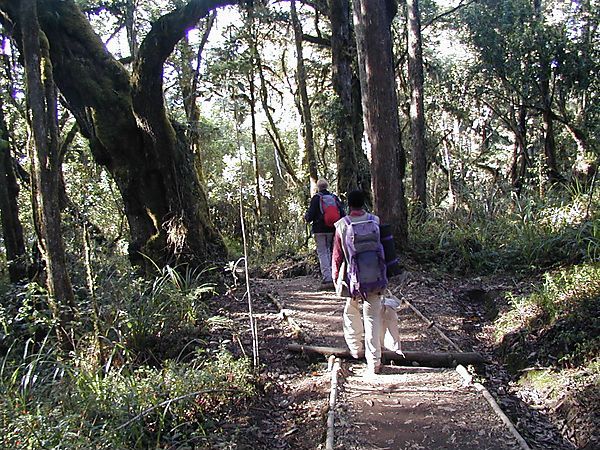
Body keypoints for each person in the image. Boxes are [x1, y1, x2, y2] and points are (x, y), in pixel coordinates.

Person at [332, 190, 386, 375]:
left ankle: (356, 349)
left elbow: (337, 256)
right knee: (373, 317)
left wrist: (335, 277)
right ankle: (374, 361)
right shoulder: (375, 221)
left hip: (352, 278)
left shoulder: (341, 225)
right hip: (375, 277)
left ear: (349, 204)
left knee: (351, 311)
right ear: (364, 203)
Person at [304, 179, 345, 288]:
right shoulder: (334, 197)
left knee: (322, 252)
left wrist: (307, 217)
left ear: (318, 187)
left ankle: (327, 278)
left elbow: (310, 216)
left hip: (319, 230)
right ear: (327, 186)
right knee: (332, 252)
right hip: (333, 228)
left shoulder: (316, 198)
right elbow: (342, 213)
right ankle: (335, 275)